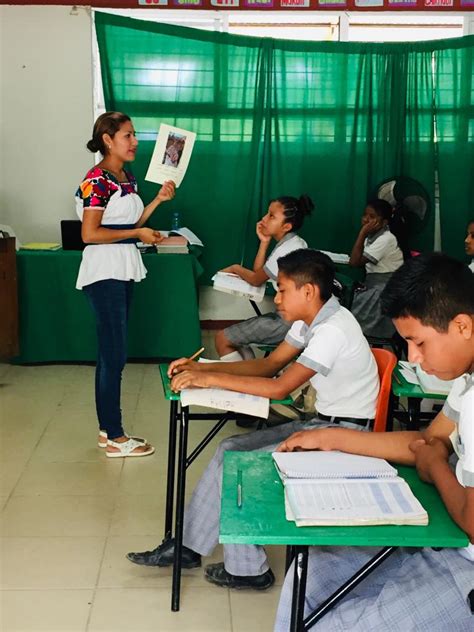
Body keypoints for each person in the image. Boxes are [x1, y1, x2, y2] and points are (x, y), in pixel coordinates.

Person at [127, 249, 379, 588]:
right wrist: (202, 369)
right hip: (322, 424)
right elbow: (269, 365)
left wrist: (210, 379)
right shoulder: (311, 321)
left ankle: (250, 570)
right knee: (230, 448)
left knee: (241, 465)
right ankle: (187, 547)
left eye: (283, 290)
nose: (277, 299)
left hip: (344, 435)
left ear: (309, 292)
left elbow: (280, 388)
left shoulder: (332, 329)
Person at [274, 252, 474, 631]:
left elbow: (470, 517)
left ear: (462, 326)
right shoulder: (466, 382)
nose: (413, 358)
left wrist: (434, 466)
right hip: (447, 540)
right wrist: (331, 437)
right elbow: (428, 441)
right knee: (308, 575)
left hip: (466, 563)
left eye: (418, 343)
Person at [76, 111, 175, 458]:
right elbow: (89, 234)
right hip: (104, 272)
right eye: (128, 135)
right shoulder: (96, 180)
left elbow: (131, 221)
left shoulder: (125, 177)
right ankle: (116, 436)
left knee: (112, 353)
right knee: (113, 354)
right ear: (108, 139)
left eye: (134, 135)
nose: (135, 142)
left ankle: (108, 432)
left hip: (123, 268)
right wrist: (137, 233)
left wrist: (158, 202)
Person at [215, 195, 313, 361]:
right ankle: (248, 377)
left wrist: (235, 268)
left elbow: (256, 279)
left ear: (287, 226)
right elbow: (260, 272)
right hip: (298, 320)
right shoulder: (295, 242)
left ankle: (243, 382)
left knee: (222, 339)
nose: (263, 219)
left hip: (287, 323)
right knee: (238, 339)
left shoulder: (287, 250)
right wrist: (264, 241)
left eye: (271, 216)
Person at [349, 198, 405, 338]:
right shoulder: (372, 237)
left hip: (384, 290)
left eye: (372, 217)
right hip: (373, 285)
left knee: (351, 314)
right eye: (365, 215)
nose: (366, 219)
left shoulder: (386, 239)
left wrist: (362, 233)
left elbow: (354, 262)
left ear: (384, 222)